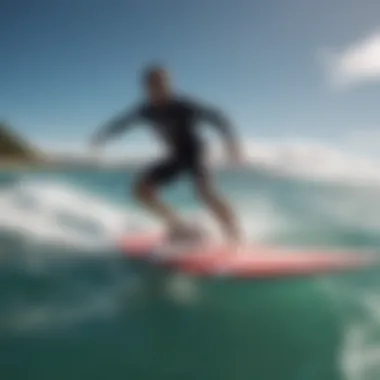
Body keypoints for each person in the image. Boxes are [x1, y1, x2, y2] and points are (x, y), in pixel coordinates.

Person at [90, 65, 241, 243]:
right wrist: (102, 136)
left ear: (169, 84)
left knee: (205, 192)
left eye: (164, 83)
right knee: (141, 191)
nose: (161, 87)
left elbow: (217, 117)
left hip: (196, 154)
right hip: (176, 157)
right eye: (155, 84)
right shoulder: (146, 110)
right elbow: (123, 123)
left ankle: (234, 234)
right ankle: (182, 227)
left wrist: (231, 143)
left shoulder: (183, 106)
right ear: (146, 87)